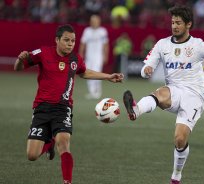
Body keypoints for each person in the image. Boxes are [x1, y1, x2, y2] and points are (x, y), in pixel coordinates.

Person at [122, 6, 204, 184]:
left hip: (195, 95)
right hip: (174, 90)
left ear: (188, 24)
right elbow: (146, 67)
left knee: (179, 139)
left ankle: (176, 175)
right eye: (172, 22)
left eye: (178, 23)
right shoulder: (162, 44)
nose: (174, 26)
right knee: (160, 92)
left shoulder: (198, 45)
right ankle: (136, 110)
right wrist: (146, 70)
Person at [14, 24, 123, 184]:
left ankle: (67, 181)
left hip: (62, 108)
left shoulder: (75, 59)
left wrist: (108, 76)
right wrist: (19, 59)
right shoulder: (43, 53)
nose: (70, 43)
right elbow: (19, 68)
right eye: (66, 40)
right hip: (42, 108)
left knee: (64, 142)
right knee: (32, 155)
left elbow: (84, 72)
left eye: (73, 41)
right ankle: (49, 142)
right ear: (57, 40)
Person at [79, 14, 109, 99]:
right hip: (89, 56)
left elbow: (106, 44)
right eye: (93, 21)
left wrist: (105, 55)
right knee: (87, 73)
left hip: (98, 56)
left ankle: (98, 91)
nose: (94, 23)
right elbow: (82, 43)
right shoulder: (87, 31)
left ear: (99, 22)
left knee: (97, 72)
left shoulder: (102, 31)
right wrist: (81, 54)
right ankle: (91, 91)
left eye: (96, 21)